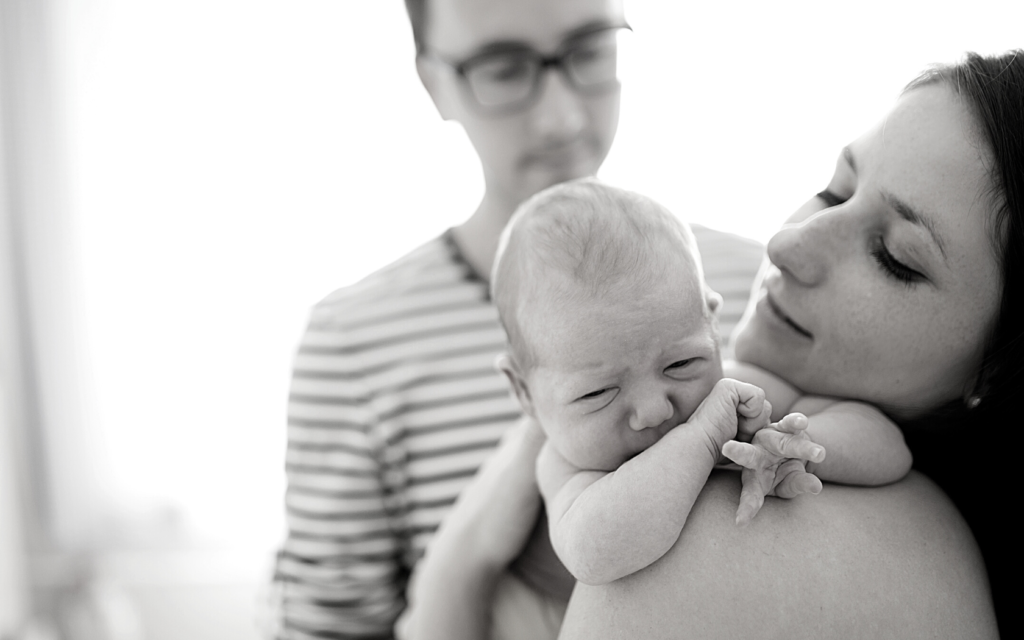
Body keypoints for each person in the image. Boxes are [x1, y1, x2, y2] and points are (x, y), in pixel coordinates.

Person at [402, 50, 1023, 639]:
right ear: (522, 393)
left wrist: (798, 444)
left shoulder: (753, 402)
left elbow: (883, 451)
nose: (784, 244)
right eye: (833, 190)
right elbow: (596, 548)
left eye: (895, 258)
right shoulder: (569, 453)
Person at [267, 1, 763, 638]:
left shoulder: (753, 282)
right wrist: (469, 556)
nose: (562, 117)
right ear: (433, 82)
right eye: (503, 69)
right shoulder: (350, 345)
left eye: (589, 50)